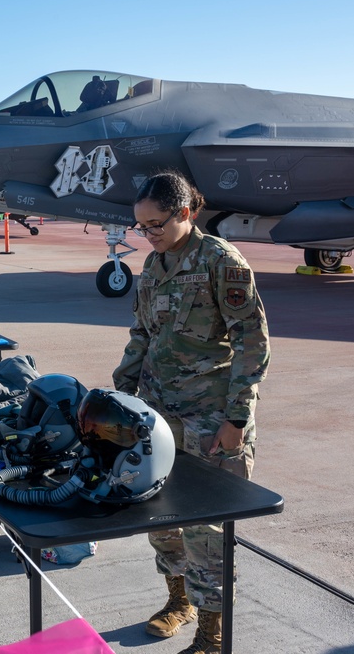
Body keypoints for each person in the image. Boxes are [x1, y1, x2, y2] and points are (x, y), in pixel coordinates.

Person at [112, 170, 270, 654]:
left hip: (210, 420)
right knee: (160, 517)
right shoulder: (154, 267)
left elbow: (253, 342)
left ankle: (211, 633)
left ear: (186, 213)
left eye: (156, 223)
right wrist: (122, 395)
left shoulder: (222, 262)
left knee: (207, 529)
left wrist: (237, 419)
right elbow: (142, 334)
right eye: (142, 227)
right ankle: (177, 601)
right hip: (159, 417)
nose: (149, 234)